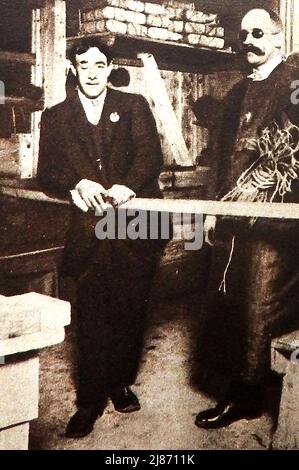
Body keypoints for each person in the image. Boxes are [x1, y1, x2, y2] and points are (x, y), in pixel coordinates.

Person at [38, 38, 164, 438]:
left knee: (130, 306)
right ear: (73, 69)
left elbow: (150, 154)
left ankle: (120, 382)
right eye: (84, 64)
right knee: (91, 313)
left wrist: (128, 185)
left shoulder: (133, 105)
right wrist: (76, 181)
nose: (92, 72)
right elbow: (48, 172)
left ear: (110, 68)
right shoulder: (56, 117)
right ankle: (89, 400)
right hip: (89, 232)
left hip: (133, 226)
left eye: (99, 65)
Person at [195, 8, 299, 429]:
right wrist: (211, 208)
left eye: (259, 33)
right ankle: (239, 386)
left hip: (274, 219)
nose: (249, 41)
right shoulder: (237, 92)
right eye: (244, 35)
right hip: (232, 216)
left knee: (261, 302)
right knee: (230, 301)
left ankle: (251, 394)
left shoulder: (294, 84)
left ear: (277, 39)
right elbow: (219, 162)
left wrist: (274, 185)